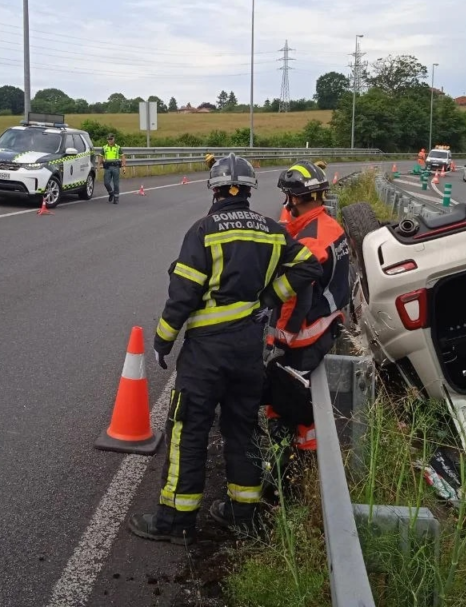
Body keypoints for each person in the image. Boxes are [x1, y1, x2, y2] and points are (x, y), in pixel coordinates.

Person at [128, 153, 322, 545]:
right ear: (249, 189)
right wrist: (269, 298)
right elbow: (309, 267)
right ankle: (242, 514)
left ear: (215, 189)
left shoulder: (203, 230)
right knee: (242, 428)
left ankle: (176, 521)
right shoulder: (271, 229)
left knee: (189, 429)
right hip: (249, 350)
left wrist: (163, 340)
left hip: (206, 355)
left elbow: (182, 296)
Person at [263, 160, 351, 482]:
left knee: (283, 401)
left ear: (296, 199)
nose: (287, 204)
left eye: (288, 197)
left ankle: (281, 477)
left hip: (303, 338)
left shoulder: (310, 242)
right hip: (328, 325)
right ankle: (309, 464)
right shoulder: (331, 227)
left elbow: (294, 298)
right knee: (306, 400)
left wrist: (277, 340)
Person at [100, 133, 125, 203]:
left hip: (115, 167)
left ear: (114, 139)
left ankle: (116, 198)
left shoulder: (118, 147)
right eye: (108, 139)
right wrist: (99, 165)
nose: (110, 141)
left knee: (116, 183)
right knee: (106, 183)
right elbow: (101, 156)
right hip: (107, 167)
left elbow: (122, 156)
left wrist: (124, 166)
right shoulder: (104, 147)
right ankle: (111, 193)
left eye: (111, 139)